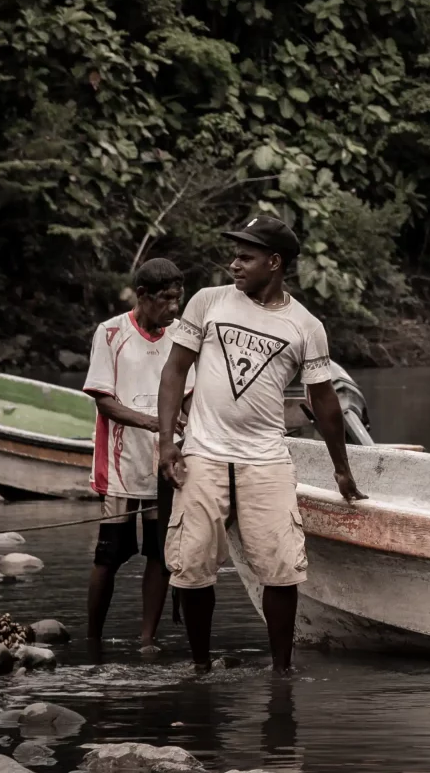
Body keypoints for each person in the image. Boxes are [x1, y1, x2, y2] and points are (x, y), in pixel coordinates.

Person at [152, 213, 364, 673]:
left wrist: (342, 469)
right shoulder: (208, 302)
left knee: (282, 569)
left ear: (274, 262)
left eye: (245, 257)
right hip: (203, 453)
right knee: (191, 566)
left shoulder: (305, 325)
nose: (234, 265)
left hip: (266, 460)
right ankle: (201, 667)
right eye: (234, 256)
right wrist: (168, 441)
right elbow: (175, 370)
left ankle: (282, 671)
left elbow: (325, 401)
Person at [82, 257, 185, 650]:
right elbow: (104, 401)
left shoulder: (180, 335)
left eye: (177, 298)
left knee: (159, 553)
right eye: (165, 299)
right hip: (121, 463)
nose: (173, 307)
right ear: (143, 295)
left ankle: (147, 639)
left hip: (165, 460)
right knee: (108, 554)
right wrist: (155, 423)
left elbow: (188, 395)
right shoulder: (111, 333)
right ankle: (93, 638)